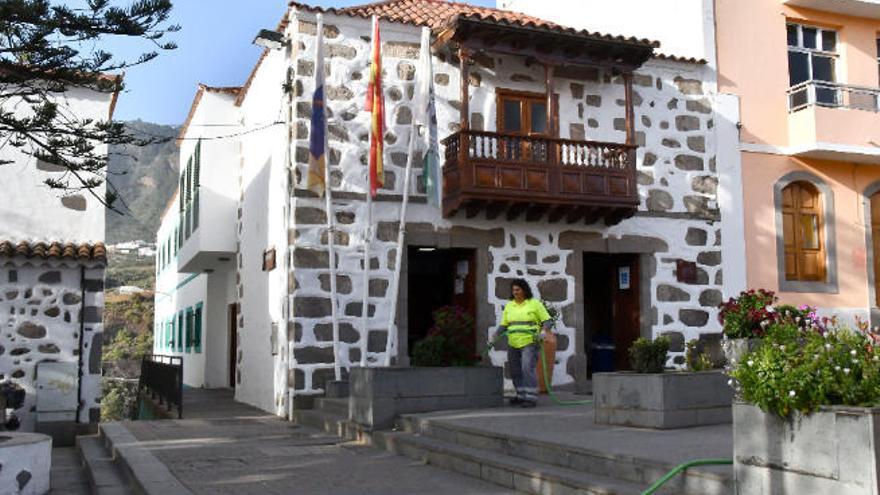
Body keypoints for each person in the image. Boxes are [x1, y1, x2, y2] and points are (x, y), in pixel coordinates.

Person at [495, 279, 553, 407]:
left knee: (527, 368)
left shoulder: (534, 304)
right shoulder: (510, 305)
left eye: (518, 290)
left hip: (530, 341)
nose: (515, 292)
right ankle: (520, 395)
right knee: (515, 370)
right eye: (513, 290)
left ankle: (531, 398)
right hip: (513, 342)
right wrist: (495, 335)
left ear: (524, 290)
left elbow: (547, 321)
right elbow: (504, 324)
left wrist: (543, 332)